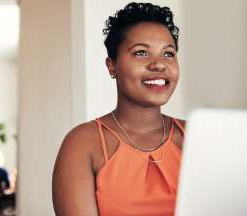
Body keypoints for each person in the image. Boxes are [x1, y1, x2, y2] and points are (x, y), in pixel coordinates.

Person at [52, 2, 185, 216]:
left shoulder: (196, 136)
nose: (159, 64)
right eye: (141, 52)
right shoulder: (82, 143)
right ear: (111, 65)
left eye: (168, 54)